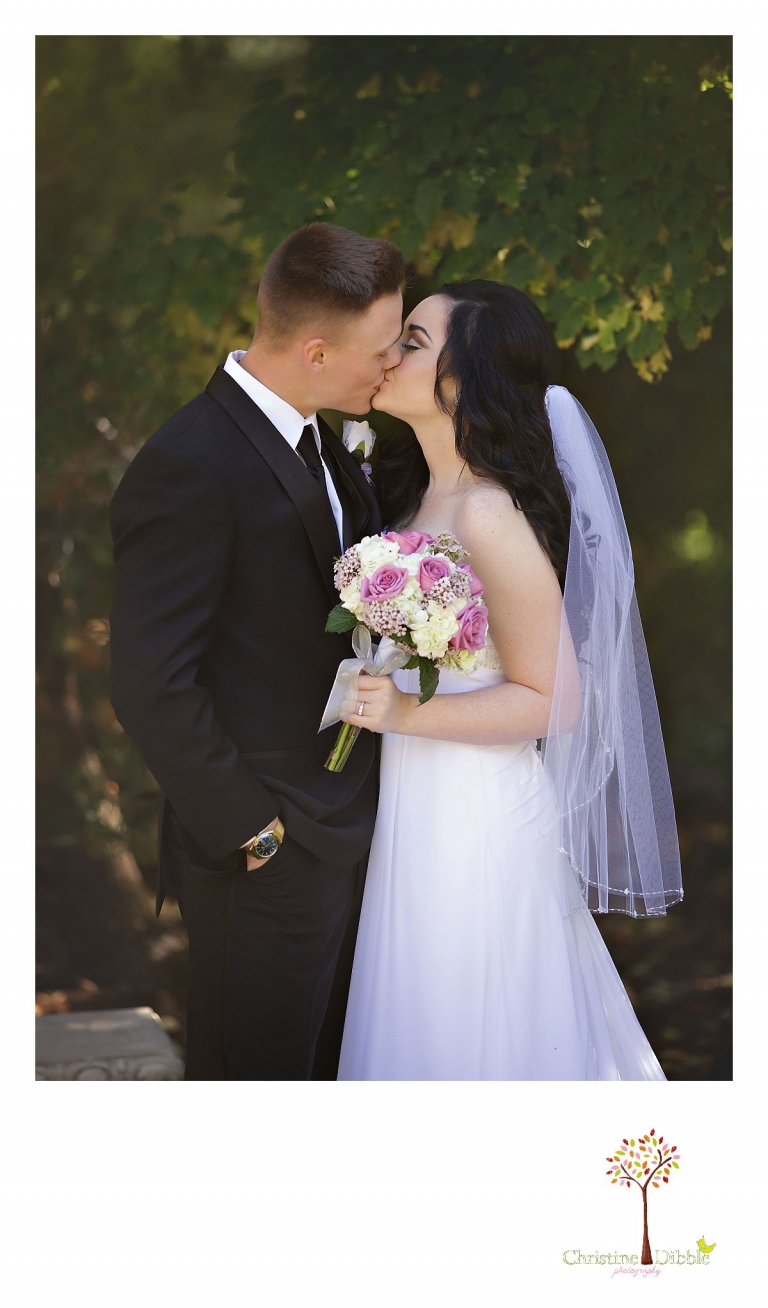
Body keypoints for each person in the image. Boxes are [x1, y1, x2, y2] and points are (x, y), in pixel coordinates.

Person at [336, 280, 683, 1080]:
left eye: (413, 343)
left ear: (464, 379)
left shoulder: (488, 512)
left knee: (474, 1025)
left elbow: (554, 700)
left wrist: (402, 715)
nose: (389, 354)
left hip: (478, 818)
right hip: (417, 806)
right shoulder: (417, 498)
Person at [109, 223, 406, 1079]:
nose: (390, 364)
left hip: (348, 830)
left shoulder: (325, 437)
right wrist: (254, 830)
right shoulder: (189, 465)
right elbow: (150, 680)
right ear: (316, 351)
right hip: (265, 852)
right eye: (382, 350)